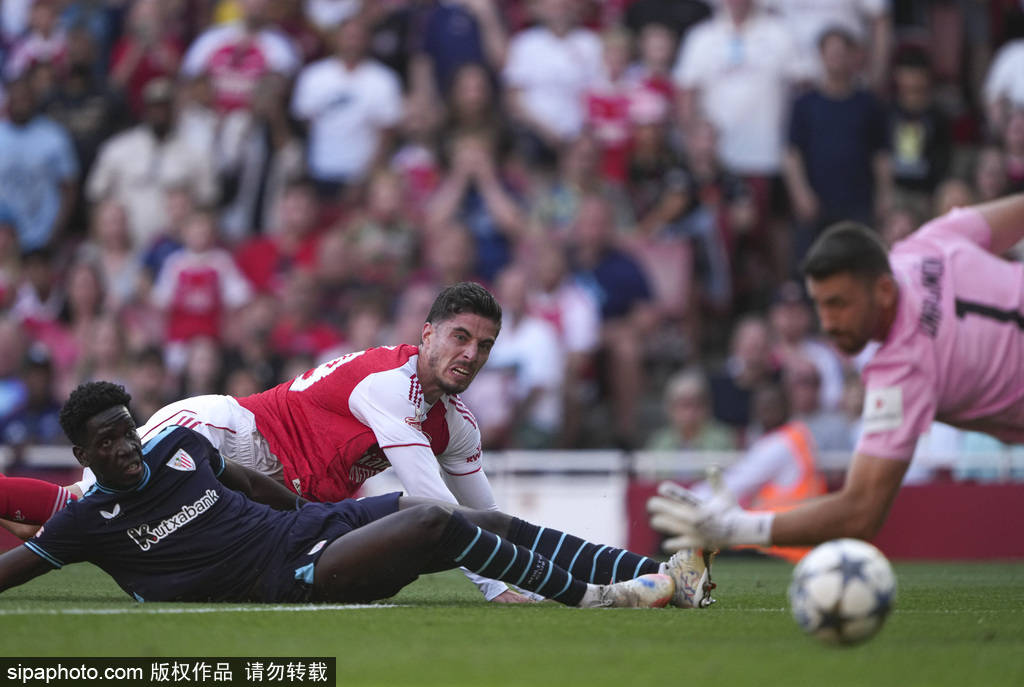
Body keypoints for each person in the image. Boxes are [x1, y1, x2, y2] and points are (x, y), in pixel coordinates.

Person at [0, 381, 715, 610]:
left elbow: (243, 479)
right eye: (108, 442)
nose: (126, 447)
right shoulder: (87, 522)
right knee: (432, 521)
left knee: (484, 518)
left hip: (310, 526)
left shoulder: (179, 447)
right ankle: (596, 599)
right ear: (83, 457)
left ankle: (660, 576)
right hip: (290, 574)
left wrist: (302, 511)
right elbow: (15, 569)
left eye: (127, 431)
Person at [83, 283, 534, 602]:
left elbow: (486, 514)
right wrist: (496, 588)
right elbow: (435, 507)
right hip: (227, 436)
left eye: (484, 345)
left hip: (273, 500)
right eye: (461, 337)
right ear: (428, 334)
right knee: (86, 500)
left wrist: (529, 580)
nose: (471, 354)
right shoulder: (391, 385)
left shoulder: (457, 425)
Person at [648, 192, 1024, 551]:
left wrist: (738, 528)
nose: (827, 322)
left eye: (840, 304)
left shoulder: (902, 371)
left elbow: (861, 512)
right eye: (820, 305)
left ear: (883, 291)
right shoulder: (928, 245)